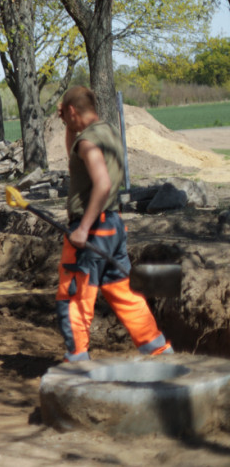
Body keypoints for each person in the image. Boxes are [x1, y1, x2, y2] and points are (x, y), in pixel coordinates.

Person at [55, 87, 172, 362]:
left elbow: (103, 184)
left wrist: (83, 228)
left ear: (72, 111)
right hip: (114, 226)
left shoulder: (87, 143)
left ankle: (77, 363)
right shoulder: (106, 132)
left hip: (93, 230)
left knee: (75, 297)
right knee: (125, 293)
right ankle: (160, 352)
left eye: (66, 116)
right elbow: (76, 160)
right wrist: (68, 127)